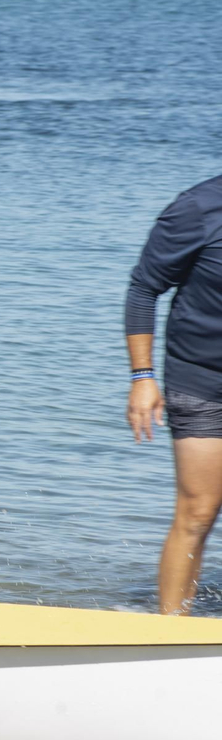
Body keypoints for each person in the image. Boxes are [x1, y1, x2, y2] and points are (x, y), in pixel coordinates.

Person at [126, 175, 222, 615]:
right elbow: (144, 287)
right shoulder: (198, 207)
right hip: (202, 379)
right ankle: (169, 630)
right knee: (199, 511)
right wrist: (142, 377)